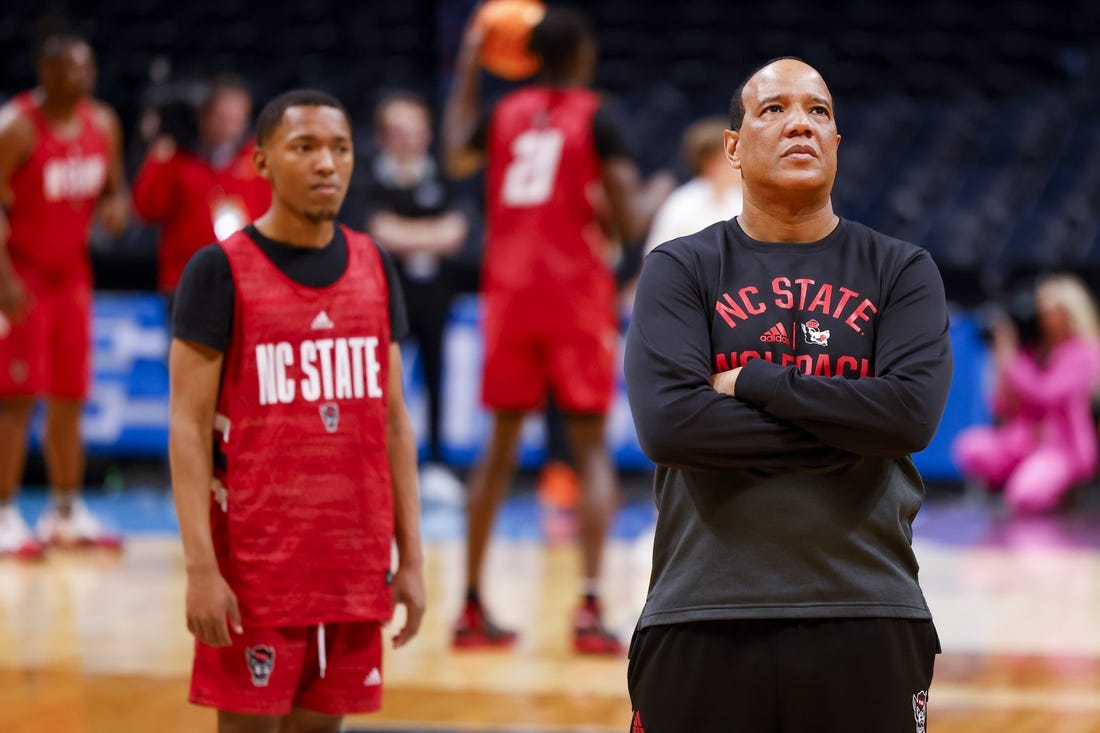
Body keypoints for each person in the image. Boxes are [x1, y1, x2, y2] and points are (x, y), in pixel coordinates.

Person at [623, 58, 952, 731]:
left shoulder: (902, 270)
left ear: (836, 143)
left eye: (819, 111)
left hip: (868, 610)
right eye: (773, 108)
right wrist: (851, 426)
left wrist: (754, 383)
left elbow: (909, 417)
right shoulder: (681, 268)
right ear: (734, 149)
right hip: (701, 611)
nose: (800, 121)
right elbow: (673, 426)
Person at [168, 89, 425, 732]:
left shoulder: (373, 264)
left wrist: (413, 562)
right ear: (261, 162)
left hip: (354, 567)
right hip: (257, 570)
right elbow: (188, 429)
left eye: (339, 148)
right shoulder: (219, 271)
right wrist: (201, 569)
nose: (325, 164)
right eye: (303, 147)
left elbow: (394, 423)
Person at [442, 4, 674, 653]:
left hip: (510, 294)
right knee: (591, 449)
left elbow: (454, 149)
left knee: (497, 449)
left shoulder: (504, 112)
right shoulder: (597, 115)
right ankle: (590, 606)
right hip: (573, 296)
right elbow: (630, 220)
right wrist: (658, 187)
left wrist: (467, 62)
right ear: (581, 55)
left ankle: (467, 603)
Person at [0, 34, 128, 558]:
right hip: (21, 275)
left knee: (71, 396)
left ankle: (66, 512)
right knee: (15, 397)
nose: (80, 76)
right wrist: (2, 276)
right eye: (69, 67)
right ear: (45, 71)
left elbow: (114, 187)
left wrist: (115, 208)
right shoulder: (18, 126)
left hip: (72, 277)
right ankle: (5, 511)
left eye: (87, 67)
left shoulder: (104, 124)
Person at [362, 90, 468, 504]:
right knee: (383, 382)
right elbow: (376, 229)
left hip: (435, 298)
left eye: (418, 131)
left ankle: (438, 465)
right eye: (400, 132)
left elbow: (458, 231)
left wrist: (405, 234)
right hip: (385, 299)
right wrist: (430, 234)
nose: (411, 140)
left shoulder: (442, 175)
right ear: (384, 135)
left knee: (437, 378)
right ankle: (377, 464)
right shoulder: (370, 177)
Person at [953, 274, 1100, 513]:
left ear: (1068, 312)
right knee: (970, 447)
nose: (1042, 317)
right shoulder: (1031, 350)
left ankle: (1054, 488)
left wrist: (1011, 360)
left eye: (1049, 310)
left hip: (1062, 448)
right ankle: (1016, 478)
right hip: (1022, 443)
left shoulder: (1084, 352)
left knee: (1026, 496)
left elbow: (1048, 394)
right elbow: (1001, 405)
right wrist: (1000, 359)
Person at [133, 75, 271, 300]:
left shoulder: (256, 157)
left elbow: (270, 217)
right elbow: (146, 210)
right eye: (223, 118)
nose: (231, 128)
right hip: (186, 283)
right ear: (204, 116)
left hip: (244, 282)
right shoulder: (176, 159)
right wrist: (158, 158)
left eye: (238, 119)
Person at [642, 115, 743, 255]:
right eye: (732, 153)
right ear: (712, 162)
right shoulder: (682, 204)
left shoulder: (740, 200)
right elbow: (657, 258)